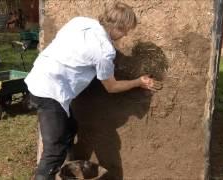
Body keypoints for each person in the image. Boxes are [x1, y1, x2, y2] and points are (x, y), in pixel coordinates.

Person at [25, 2, 159, 179]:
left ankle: (66, 171)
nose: (126, 34)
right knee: (54, 151)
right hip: (49, 93)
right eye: (125, 30)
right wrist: (138, 82)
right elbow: (111, 87)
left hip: (37, 78)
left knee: (70, 127)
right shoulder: (104, 51)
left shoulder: (80, 22)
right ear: (117, 27)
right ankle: (47, 173)